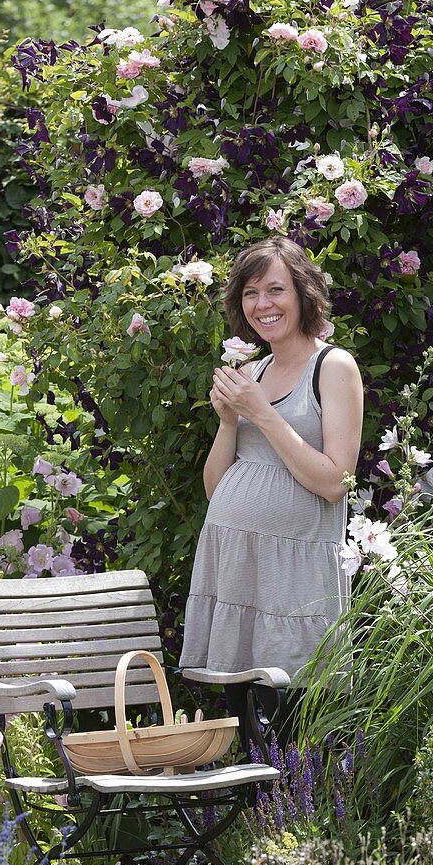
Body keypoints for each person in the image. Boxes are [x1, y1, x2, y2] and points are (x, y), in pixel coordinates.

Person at [179, 236, 363, 745]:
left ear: (304, 294)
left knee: (299, 724)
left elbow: (334, 482)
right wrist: (228, 421)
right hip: (239, 572)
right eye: (251, 293)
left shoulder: (334, 366)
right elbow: (218, 490)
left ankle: (302, 821)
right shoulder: (252, 372)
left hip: (294, 579)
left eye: (276, 290)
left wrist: (261, 412)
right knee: (249, 734)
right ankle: (255, 821)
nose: (263, 305)